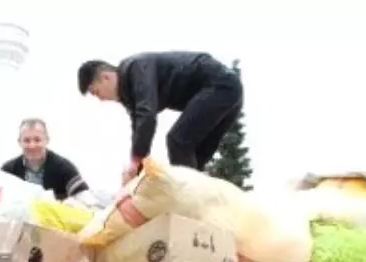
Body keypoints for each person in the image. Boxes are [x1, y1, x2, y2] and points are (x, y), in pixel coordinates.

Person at [78, 52, 244, 181]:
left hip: (219, 84)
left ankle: (185, 206)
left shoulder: (135, 68)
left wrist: (135, 161)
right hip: (229, 91)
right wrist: (137, 169)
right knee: (194, 162)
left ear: (106, 77)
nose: (100, 99)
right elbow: (139, 131)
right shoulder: (130, 97)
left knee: (178, 141)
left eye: (96, 92)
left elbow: (147, 116)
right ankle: (201, 211)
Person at [0, 118, 98, 206]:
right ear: (19, 142)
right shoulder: (8, 170)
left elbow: (87, 201)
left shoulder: (64, 168)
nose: (32, 145)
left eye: (37, 140)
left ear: (47, 140)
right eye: (26, 140)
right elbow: (0, 203)